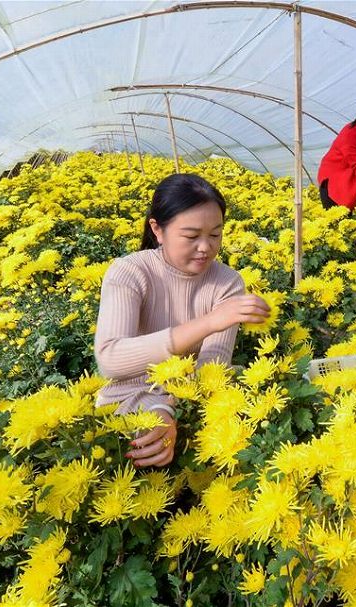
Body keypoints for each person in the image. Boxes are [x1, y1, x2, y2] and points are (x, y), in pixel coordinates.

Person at [94, 174, 270, 468]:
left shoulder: (227, 283)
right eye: (191, 236)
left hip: (191, 401)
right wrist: (209, 323)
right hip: (126, 400)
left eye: (215, 234)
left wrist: (167, 406)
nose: (206, 247)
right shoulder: (129, 272)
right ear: (157, 229)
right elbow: (111, 360)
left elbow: (212, 371)